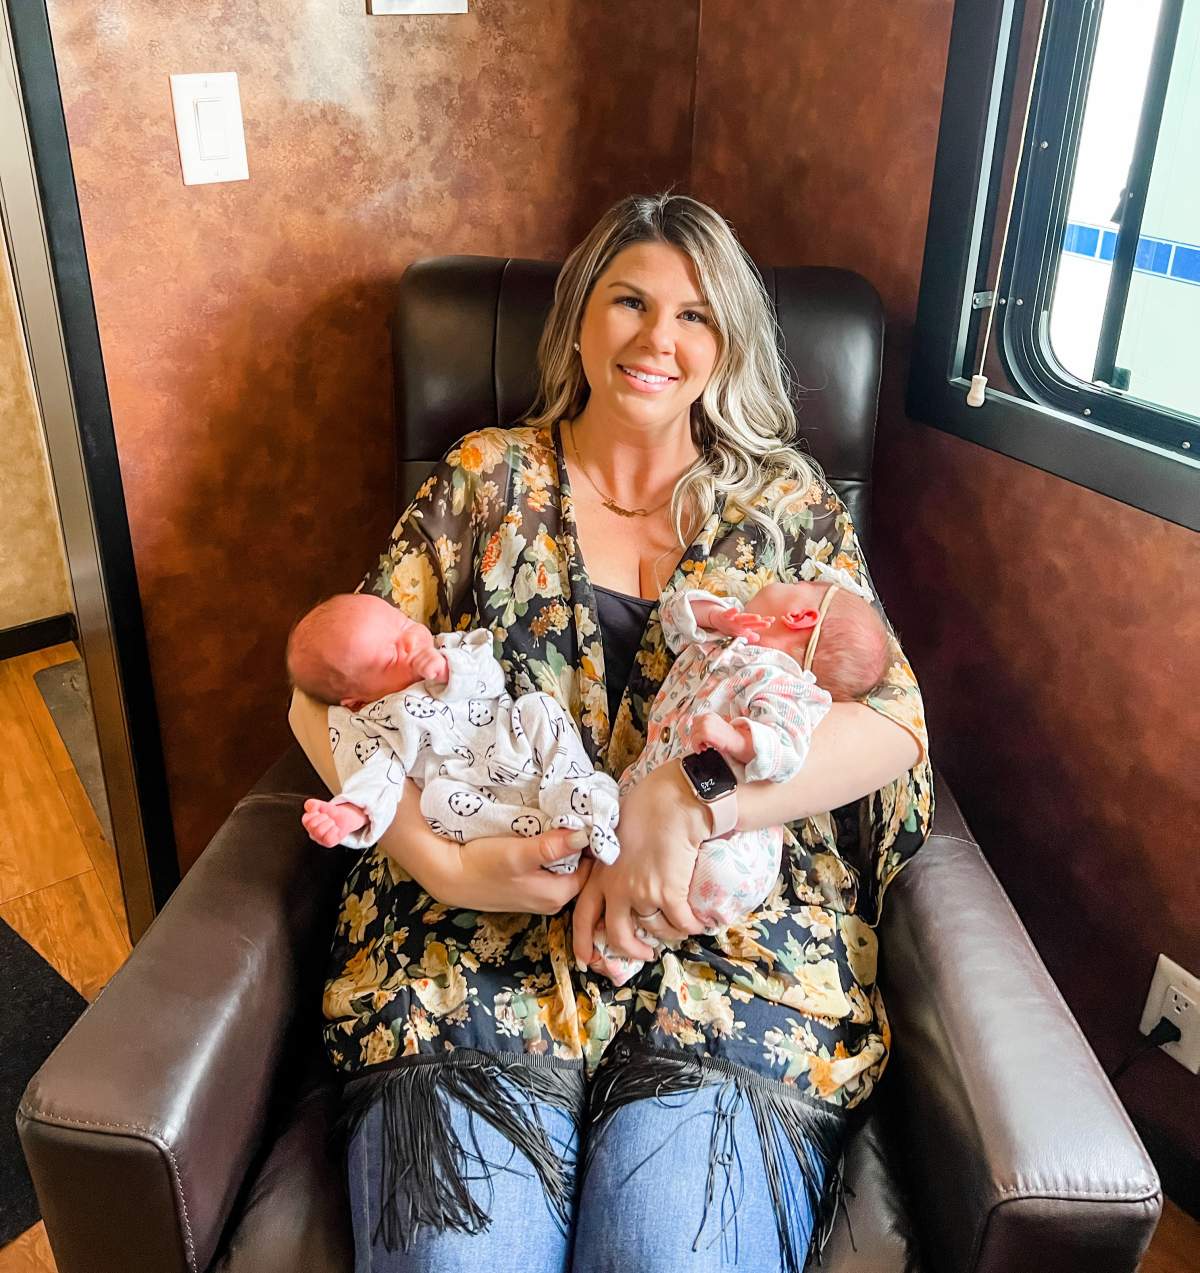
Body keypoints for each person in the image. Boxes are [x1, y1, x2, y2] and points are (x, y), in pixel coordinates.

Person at [289, 192, 932, 1273]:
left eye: (695, 316)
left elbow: (895, 721)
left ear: (726, 344)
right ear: (580, 319)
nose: (658, 339)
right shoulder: (483, 479)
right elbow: (321, 693)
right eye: (630, 300)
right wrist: (442, 862)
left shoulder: (787, 504)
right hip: (469, 959)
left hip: (728, 969)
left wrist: (692, 792)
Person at [588, 580, 890, 986]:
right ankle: (619, 927)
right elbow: (674, 617)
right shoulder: (728, 637)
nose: (776, 581)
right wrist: (714, 615)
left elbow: (785, 749)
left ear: (801, 615)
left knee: (699, 877)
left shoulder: (783, 685)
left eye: (794, 583)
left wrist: (737, 740)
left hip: (733, 837)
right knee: (613, 829)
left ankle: (629, 949)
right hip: (656, 771)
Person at [286, 592, 620, 867]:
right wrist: (351, 812)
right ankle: (551, 837)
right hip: (475, 792)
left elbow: (492, 677)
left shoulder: (451, 649)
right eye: (390, 657)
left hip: (515, 740)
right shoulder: (377, 722)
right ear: (356, 701)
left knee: (538, 707)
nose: (410, 641)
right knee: (435, 802)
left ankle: (583, 798)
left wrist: (449, 671)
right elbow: (376, 773)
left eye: (402, 623)